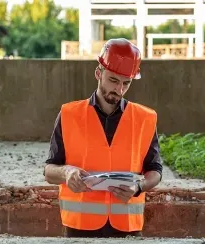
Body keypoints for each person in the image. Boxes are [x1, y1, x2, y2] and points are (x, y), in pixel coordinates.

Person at [43, 38, 163, 238]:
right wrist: (67, 172)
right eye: (113, 80)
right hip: (79, 227)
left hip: (128, 228)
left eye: (126, 83)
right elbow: (49, 171)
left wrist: (139, 186)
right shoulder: (69, 114)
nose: (119, 89)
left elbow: (156, 170)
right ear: (98, 73)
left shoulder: (145, 118)